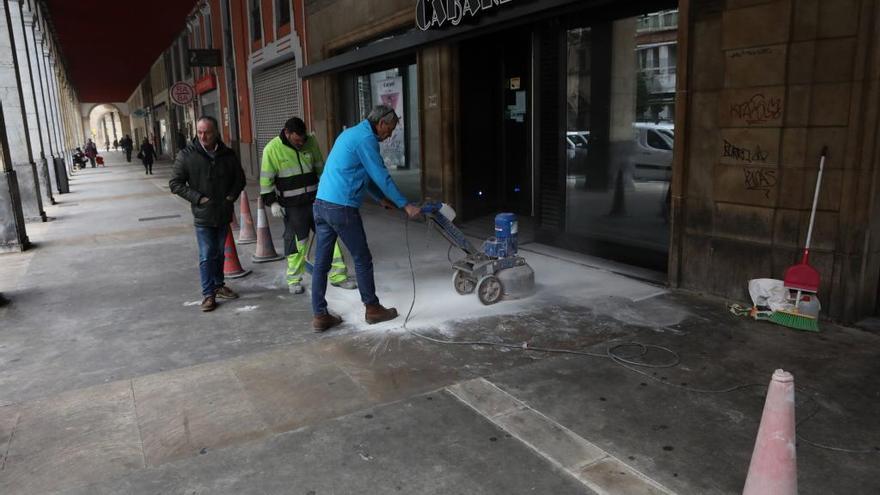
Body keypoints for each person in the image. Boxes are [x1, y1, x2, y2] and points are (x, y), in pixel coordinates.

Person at [310, 105, 421, 332]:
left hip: (321, 205)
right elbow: (380, 174)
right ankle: (372, 308)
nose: (389, 135)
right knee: (362, 258)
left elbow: (363, 174)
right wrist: (406, 204)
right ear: (381, 123)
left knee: (321, 264)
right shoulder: (366, 140)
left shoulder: (351, 134)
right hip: (342, 208)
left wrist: (380, 199)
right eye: (389, 129)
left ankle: (320, 315)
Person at [261, 117, 357, 295]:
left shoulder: (310, 142)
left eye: (303, 140)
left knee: (330, 237)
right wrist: (272, 202)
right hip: (292, 206)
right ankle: (294, 279)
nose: (301, 143)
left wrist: (330, 192)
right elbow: (266, 181)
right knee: (298, 243)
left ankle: (338, 276)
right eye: (297, 140)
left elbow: (321, 169)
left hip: (317, 200)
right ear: (287, 133)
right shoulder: (271, 149)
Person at [169, 116, 246, 312]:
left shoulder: (228, 154)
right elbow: (175, 183)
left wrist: (231, 197)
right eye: (200, 132)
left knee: (220, 253)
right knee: (207, 254)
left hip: (223, 213)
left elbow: (240, 179)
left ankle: (219, 285)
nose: (203, 136)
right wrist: (198, 198)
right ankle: (208, 294)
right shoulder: (186, 155)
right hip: (203, 214)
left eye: (207, 132)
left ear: (216, 132)